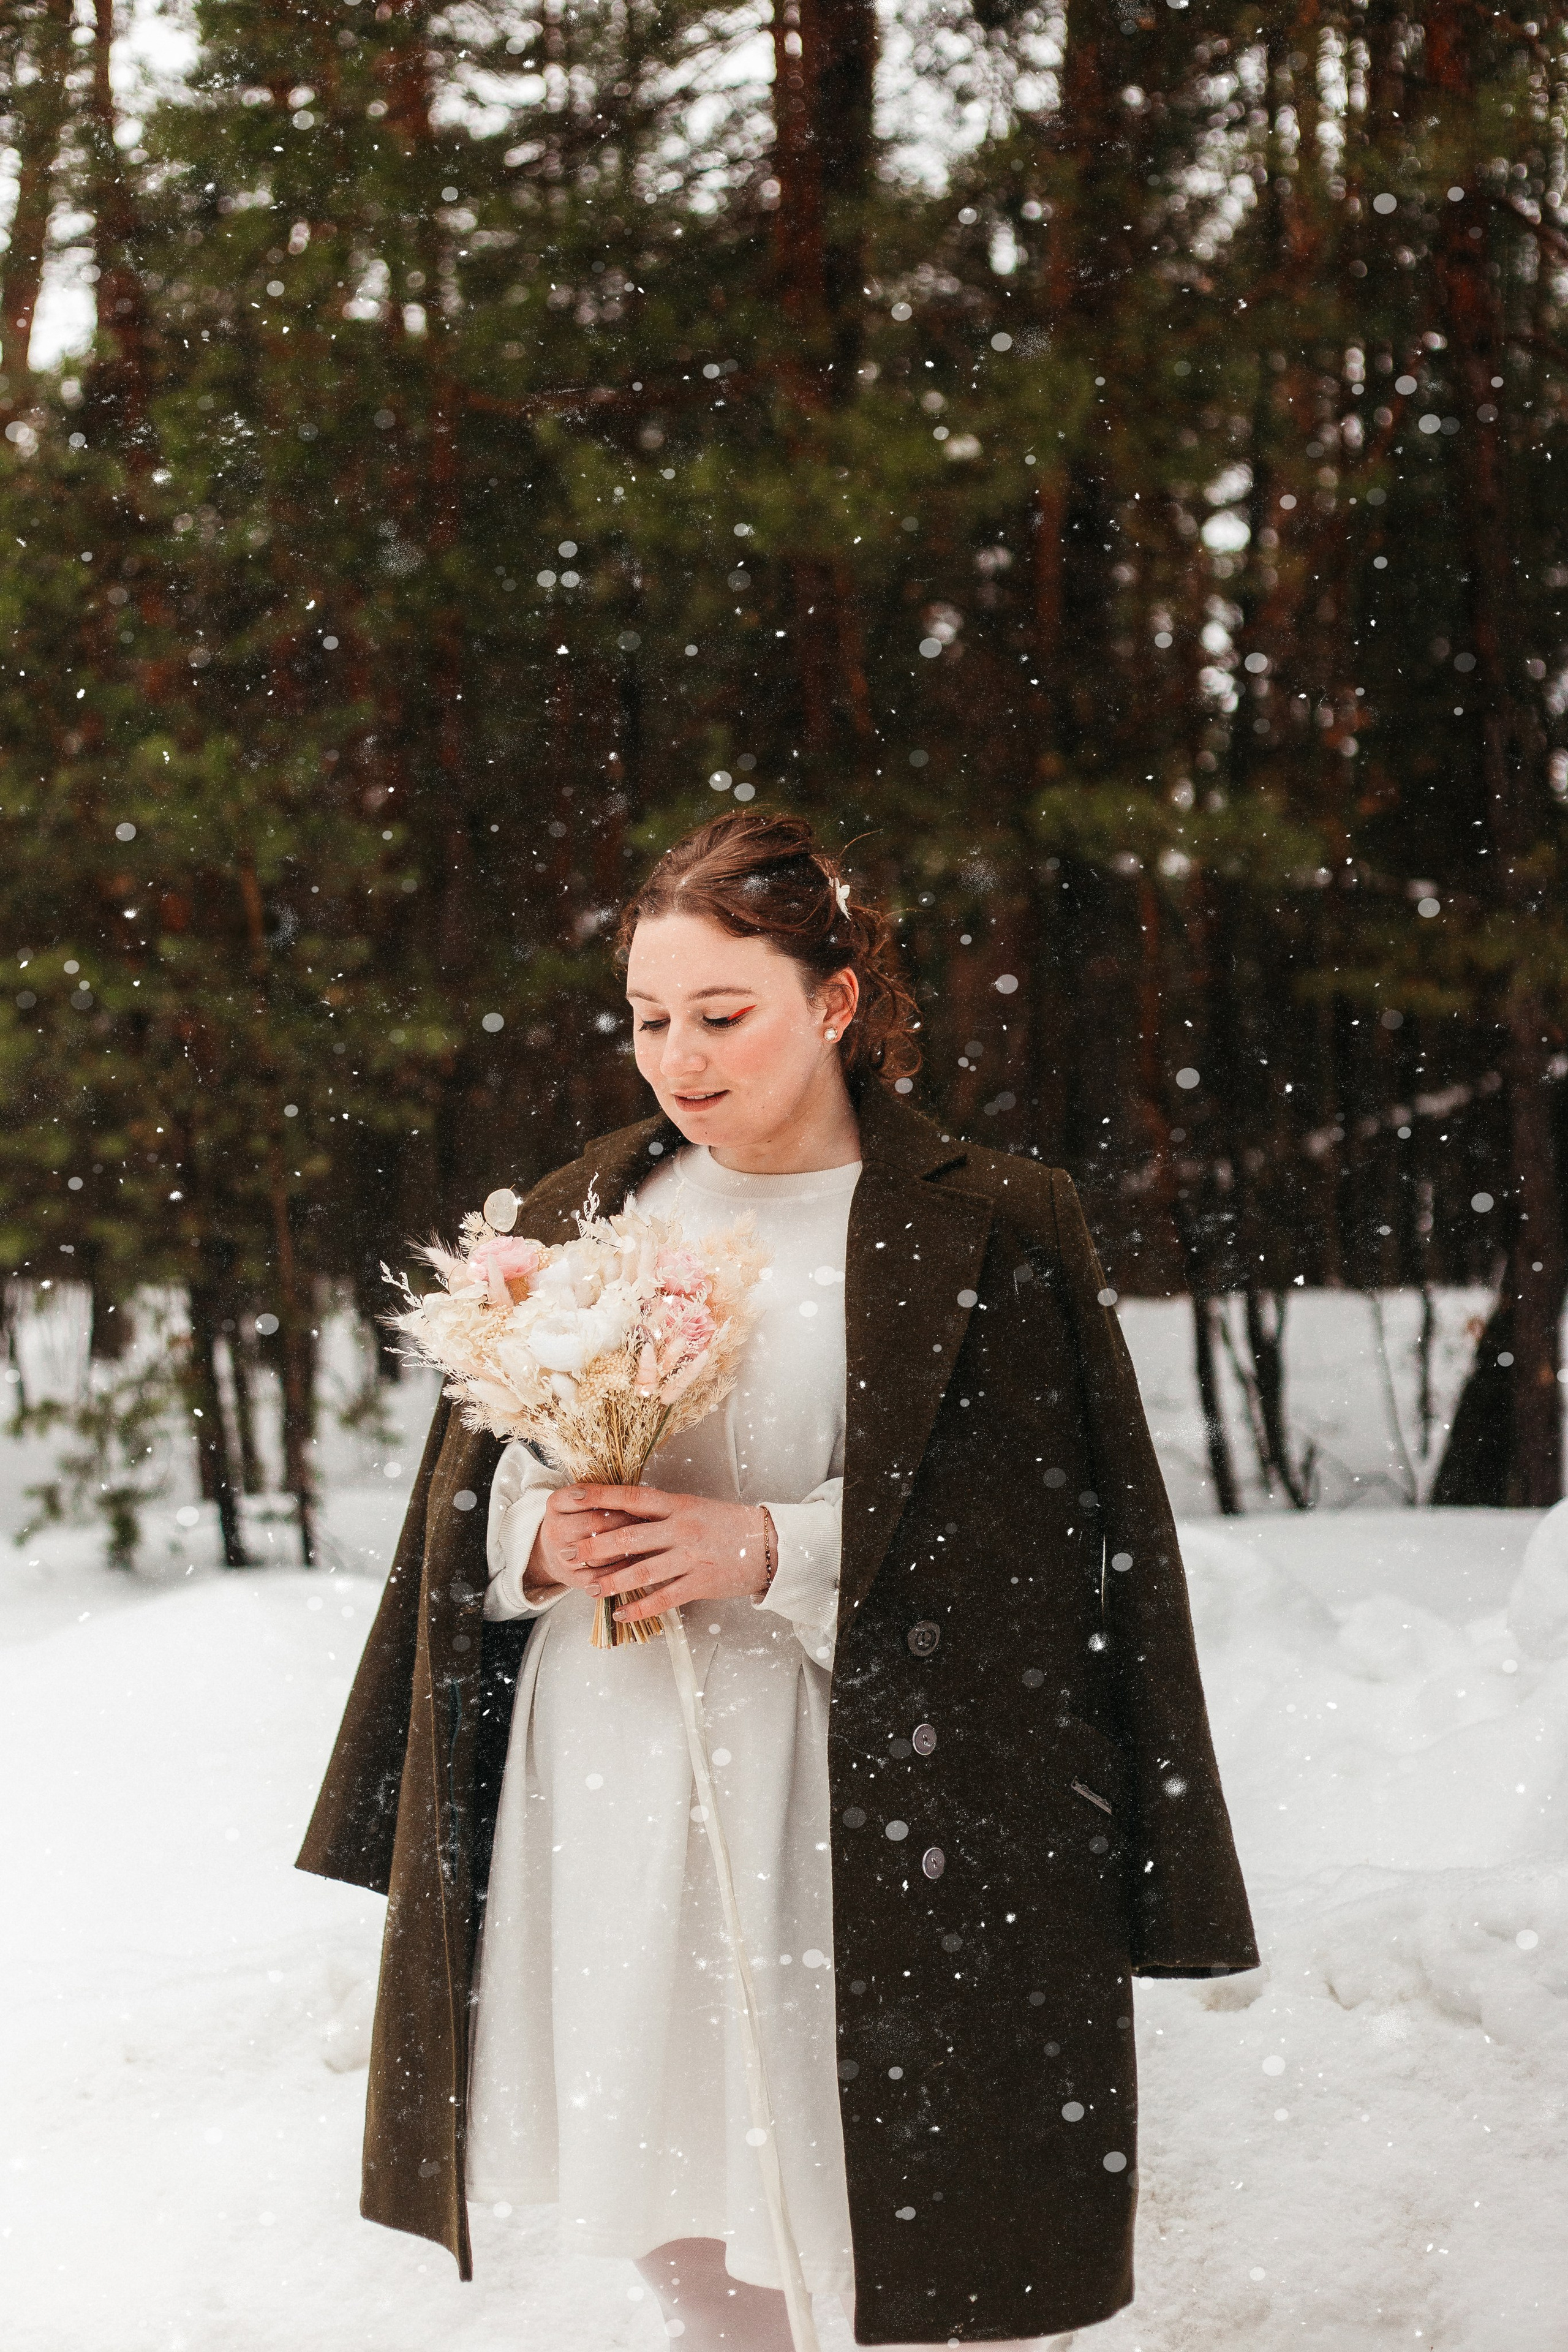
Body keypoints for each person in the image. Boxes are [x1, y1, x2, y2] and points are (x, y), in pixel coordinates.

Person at [297, 810, 1259, 2349]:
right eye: (647, 1019)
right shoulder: (581, 1208)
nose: (677, 1056)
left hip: (855, 1774)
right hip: (610, 1754)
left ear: (835, 1001)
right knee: (668, 2159)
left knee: (855, 2166)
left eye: (721, 1014)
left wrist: (770, 1549)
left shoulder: (990, 1220)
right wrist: (534, 1546)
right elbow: (463, 1511)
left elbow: (1044, 1544)